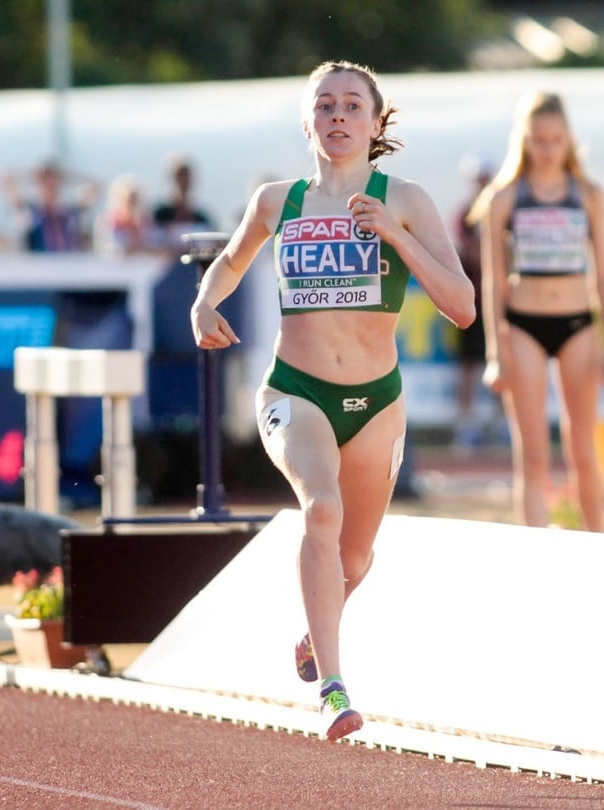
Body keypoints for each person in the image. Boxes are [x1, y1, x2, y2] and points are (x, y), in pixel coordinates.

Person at [189, 62, 474, 741]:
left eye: (352, 106)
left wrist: (395, 234)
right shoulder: (276, 201)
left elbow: (462, 307)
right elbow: (230, 260)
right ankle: (334, 689)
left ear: (375, 124)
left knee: (354, 559)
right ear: (308, 121)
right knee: (320, 509)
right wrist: (204, 302)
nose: (338, 116)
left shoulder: (405, 198)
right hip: (297, 390)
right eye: (325, 106)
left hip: (376, 402)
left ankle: (319, 627)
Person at [469, 91, 604, 531]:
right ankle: (534, 552)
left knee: (582, 450)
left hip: (577, 325)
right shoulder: (505, 197)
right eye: (538, 139)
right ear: (524, 140)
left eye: (555, 139)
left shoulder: (588, 195)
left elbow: (602, 276)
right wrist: (496, 351)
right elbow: (494, 279)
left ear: (569, 139)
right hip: (524, 325)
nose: (547, 148)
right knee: (532, 455)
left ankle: (597, 546)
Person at [449, 156, 495, 453]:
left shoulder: (501, 207)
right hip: (474, 301)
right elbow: (471, 252)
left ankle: (503, 423)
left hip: (499, 300)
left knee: (504, 360)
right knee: (468, 365)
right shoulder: (466, 213)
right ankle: (467, 425)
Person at [0, 159, 100, 253]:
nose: (50, 187)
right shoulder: (29, 211)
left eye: (55, 184)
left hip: (69, 267)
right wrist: (34, 173)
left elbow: (96, 186)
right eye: (45, 183)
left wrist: (66, 175)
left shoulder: (70, 213)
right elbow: (4, 178)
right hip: (39, 268)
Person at [94, 175, 155, 258]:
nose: (132, 202)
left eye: (135, 199)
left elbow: (152, 243)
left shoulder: (145, 220)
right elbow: (107, 247)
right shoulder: (108, 220)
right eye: (129, 198)